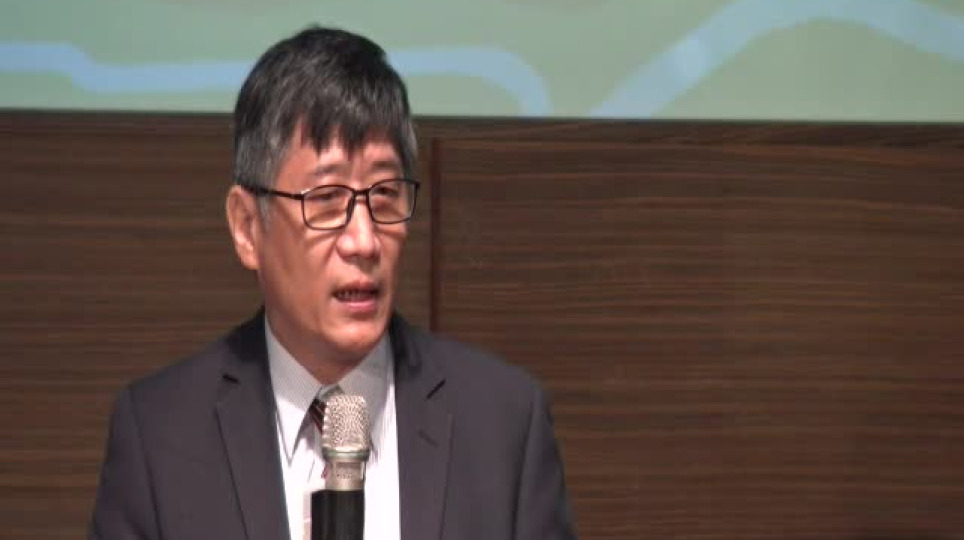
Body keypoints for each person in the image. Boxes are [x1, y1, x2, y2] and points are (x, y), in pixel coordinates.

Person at [88, 25, 577, 540]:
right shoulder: (160, 435)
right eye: (326, 200)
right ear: (247, 227)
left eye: (384, 194)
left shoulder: (504, 423)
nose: (364, 241)